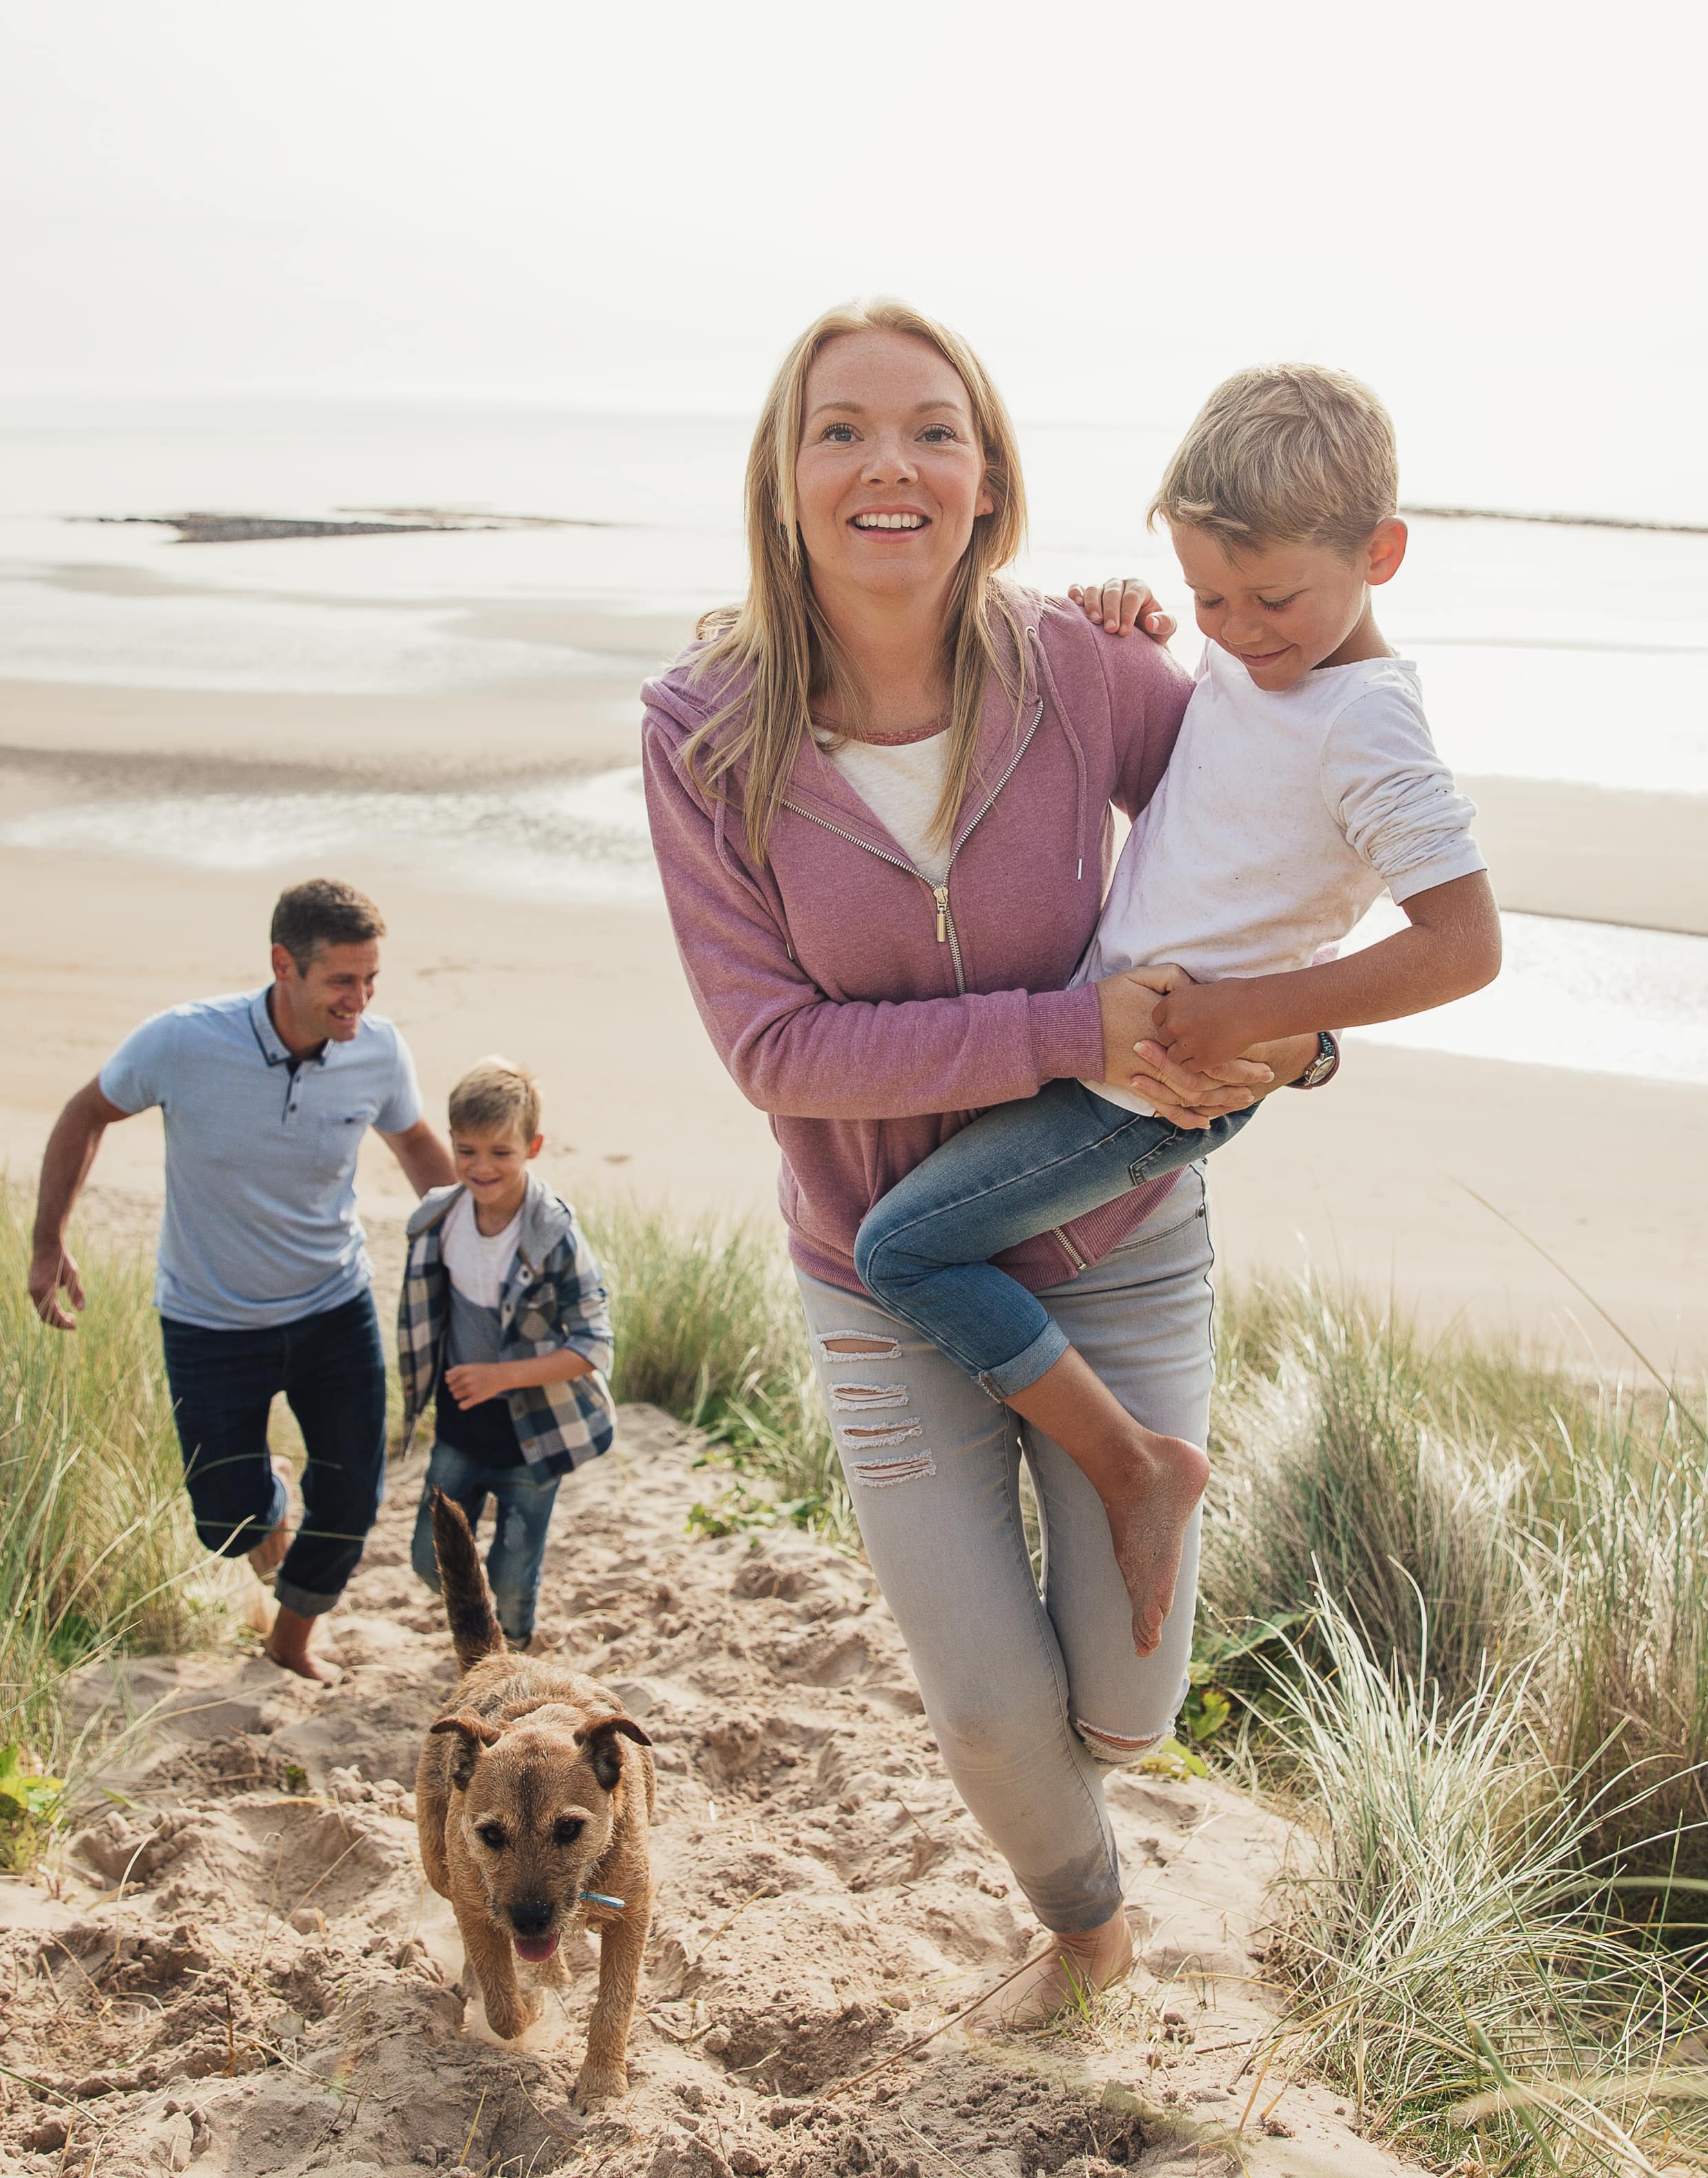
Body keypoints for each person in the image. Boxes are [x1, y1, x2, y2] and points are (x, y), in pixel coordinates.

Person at [640, 298, 1328, 2016]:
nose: (890, 463)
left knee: (1125, 1706)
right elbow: (771, 1048)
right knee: (983, 1707)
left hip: (1120, 1236)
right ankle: (1086, 1927)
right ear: (785, 478)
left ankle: (1127, 1499)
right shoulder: (702, 733)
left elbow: (1275, 851)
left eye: (933, 429)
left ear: (989, 476)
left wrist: (1306, 1037)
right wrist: (1068, 1030)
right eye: (842, 429)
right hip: (878, 1271)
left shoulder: (1090, 671)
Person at [851, 364, 1499, 1657]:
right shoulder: (1257, 661)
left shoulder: (1368, 724)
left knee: (899, 1251)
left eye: (1271, 598)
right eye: (1208, 592)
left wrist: (1256, 1013)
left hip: (1148, 1092)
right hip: (1110, 1050)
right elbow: (1210, 800)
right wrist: (1131, 617)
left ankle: (1134, 1465)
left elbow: (1463, 945)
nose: (1240, 628)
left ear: (1381, 553)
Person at [28, 877, 453, 1683]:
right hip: (209, 1319)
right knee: (227, 1522)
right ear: (283, 965)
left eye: (370, 982)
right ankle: (271, 1493)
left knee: (354, 1502)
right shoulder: (183, 1043)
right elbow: (85, 1115)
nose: (357, 1000)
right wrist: (49, 1241)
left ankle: (289, 1643)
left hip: (334, 1308)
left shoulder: (377, 1049)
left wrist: (478, 1243)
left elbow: (417, 1150)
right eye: (340, 981)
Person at [390, 1055, 615, 1648]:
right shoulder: (436, 1220)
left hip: (533, 1438)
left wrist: (500, 1376)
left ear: (532, 1146)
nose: (481, 1167)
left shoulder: (554, 1236)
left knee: (513, 1580)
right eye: (466, 1151)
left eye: (500, 1152)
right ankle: (480, 1626)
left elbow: (593, 1343)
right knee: (429, 1559)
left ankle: (506, 1662)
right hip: (459, 1428)